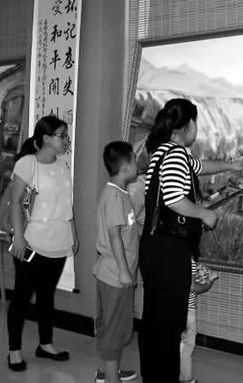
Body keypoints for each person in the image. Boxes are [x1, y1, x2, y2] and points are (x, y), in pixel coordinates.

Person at [138, 98, 243, 382]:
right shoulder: (175, 154)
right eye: (196, 122)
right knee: (170, 325)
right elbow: (174, 198)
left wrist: (231, 166)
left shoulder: (164, 151)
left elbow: (200, 166)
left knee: (155, 320)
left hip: (153, 247)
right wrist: (204, 214)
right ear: (187, 126)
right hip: (169, 250)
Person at [7, 115, 78, 372]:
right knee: (22, 297)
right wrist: (18, 236)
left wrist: (74, 233)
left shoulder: (62, 165)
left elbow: (66, 205)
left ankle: (45, 344)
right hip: (31, 242)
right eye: (61, 135)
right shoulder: (27, 163)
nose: (66, 139)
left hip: (59, 240)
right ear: (46, 138)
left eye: (66, 135)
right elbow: (16, 202)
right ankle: (14, 351)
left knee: (47, 296)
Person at [93, 141, 140, 383]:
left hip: (117, 274)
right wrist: (123, 270)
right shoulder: (113, 196)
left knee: (118, 327)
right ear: (125, 167)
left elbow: (125, 231)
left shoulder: (120, 193)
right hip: (114, 275)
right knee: (113, 329)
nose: (137, 162)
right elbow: (114, 236)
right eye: (134, 158)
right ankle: (111, 378)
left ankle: (110, 372)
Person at [179, 259, 218, 383]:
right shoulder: (189, 260)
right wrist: (208, 282)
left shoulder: (170, 257)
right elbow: (192, 287)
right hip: (187, 310)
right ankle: (185, 379)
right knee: (187, 347)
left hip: (171, 306)